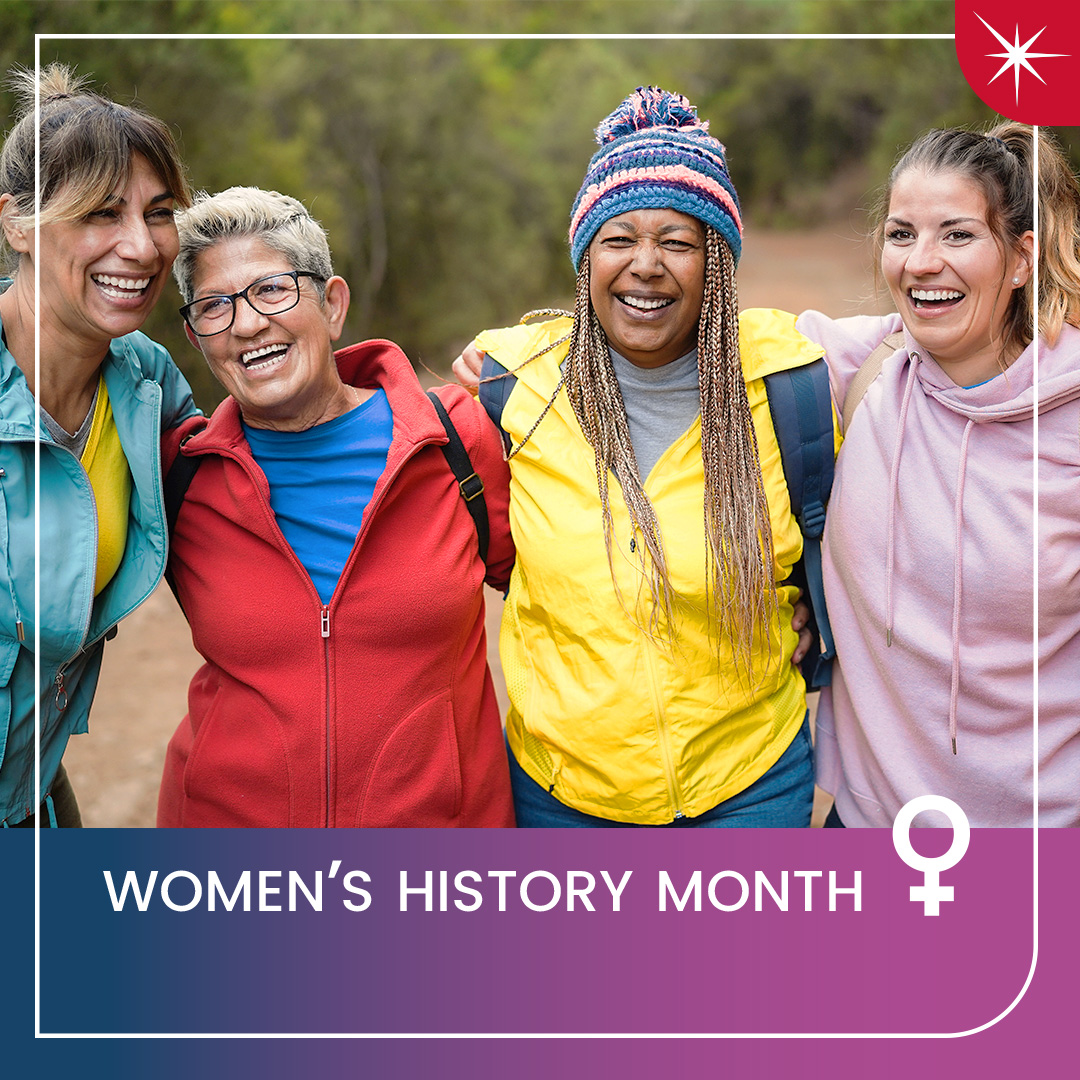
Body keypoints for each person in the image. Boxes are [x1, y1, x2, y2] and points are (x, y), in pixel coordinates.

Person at [454, 87, 821, 827]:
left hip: (748, 785)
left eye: (678, 242)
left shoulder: (789, 385)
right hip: (563, 795)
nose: (645, 265)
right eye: (618, 239)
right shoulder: (508, 391)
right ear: (586, 258)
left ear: (715, 262)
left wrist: (818, 608)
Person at [156, 187, 515, 828]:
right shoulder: (179, 472)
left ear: (333, 304)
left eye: (272, 290)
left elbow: (577, 596)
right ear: (196, 336)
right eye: (214, 306)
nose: (246, 325)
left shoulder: (457, 441)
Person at [797, 122, 1080, 827]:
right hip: (866, 827)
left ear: (1021, 259)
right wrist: (511, 359)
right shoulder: (856, 371)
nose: (922, 262)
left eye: (957, 235)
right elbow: (680, 341)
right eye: (901, 234)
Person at [0, 65, 197, 828]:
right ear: (17, 222)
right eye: (101, 213)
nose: (142, 247)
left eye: (158, 212)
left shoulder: (145, 385)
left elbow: (276, 467)